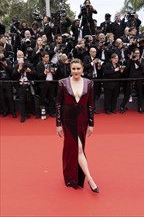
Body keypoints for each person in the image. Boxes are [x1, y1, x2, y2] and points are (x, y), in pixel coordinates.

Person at [56, 58, 99, 193]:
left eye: (78, 69)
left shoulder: (89, 83)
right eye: (73, 69)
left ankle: (72, 176)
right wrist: (58, 124)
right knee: (78, 148)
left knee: (74, 148)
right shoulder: (62, 83)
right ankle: (90, 179)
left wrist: (91, 123)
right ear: (70, 69)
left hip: (82, 119)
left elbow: (91, 105)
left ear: (82, 69)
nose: (76, 71)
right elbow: (58, 104)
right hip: (68, 120)